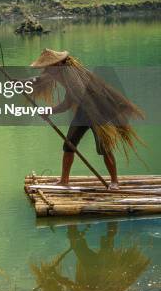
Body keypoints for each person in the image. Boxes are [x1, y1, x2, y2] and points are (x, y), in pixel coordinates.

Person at [30, 49, 144, 190]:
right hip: (83, 112)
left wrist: (50, 110)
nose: (46, 69)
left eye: (48, 66)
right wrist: (50, 110)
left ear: (58, 64)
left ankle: (114, 182)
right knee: (69, 145)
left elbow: (72, 99)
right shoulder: (61, 74)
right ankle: (64, 180)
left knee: (104, 148)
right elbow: (68, 101)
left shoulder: (71, 74)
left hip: (97, 112)